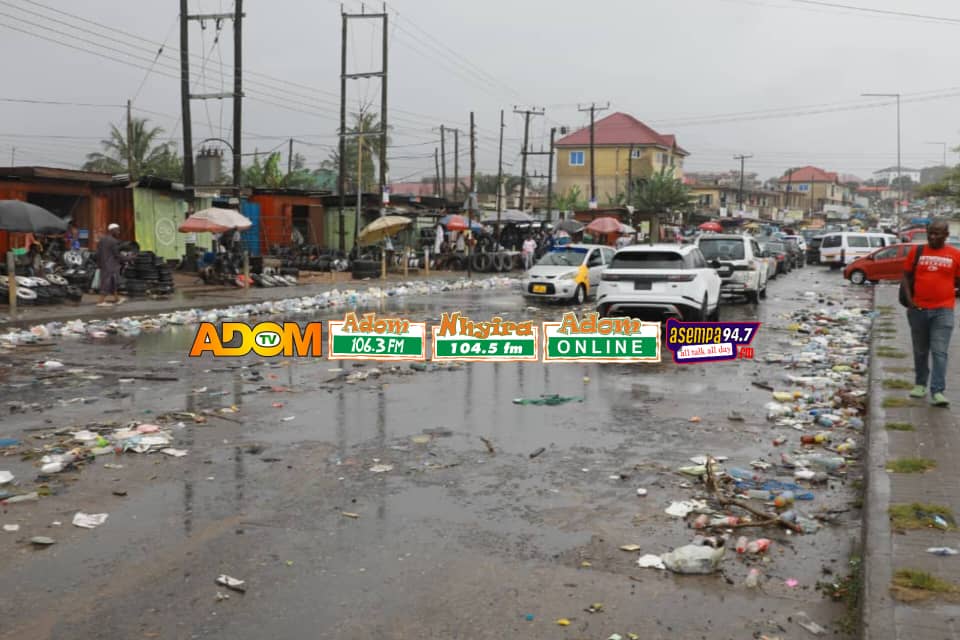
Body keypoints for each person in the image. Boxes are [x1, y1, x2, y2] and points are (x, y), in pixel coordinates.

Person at [901, 220, 960, 407]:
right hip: (918, 309)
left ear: (946, 234)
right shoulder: (917, 252)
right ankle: (920, 384)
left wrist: (952, 292)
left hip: (944, 310)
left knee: (939, 351)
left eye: (937, 233)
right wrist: (910, 302)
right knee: (920, 350)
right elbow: (906, 277)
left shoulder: (955, 255)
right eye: (930, 233)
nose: (933, 237)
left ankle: (938, 391)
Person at [96, 223, 130, 307]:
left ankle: (116, 299)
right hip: (111, 265)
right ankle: (101, 301)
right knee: (107, 283)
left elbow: (98, 253)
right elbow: (117, 255)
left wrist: (99, 263)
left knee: (112, 283)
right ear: (112, 231)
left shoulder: (102, 239)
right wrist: (129, 258)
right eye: (117, 230)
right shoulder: (113, 241)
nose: (118, 232)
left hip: (104, 264)